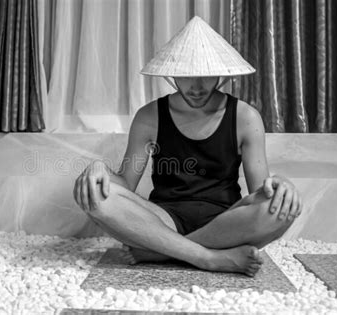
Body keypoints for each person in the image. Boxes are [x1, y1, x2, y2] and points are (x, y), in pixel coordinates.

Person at [73, 16, 302, 277]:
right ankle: (207, 257)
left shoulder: (245, 117)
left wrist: (282, 185)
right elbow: (124, 183)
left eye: (205, 76)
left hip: (225, 220)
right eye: (185, 76)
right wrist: (99, 168)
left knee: (282, 207)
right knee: (95, 193)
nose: (196, 87)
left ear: (220, 73)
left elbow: (261, 191)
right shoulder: (149, 116)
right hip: (161, 219)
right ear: (171, 74)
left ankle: (161, 251)